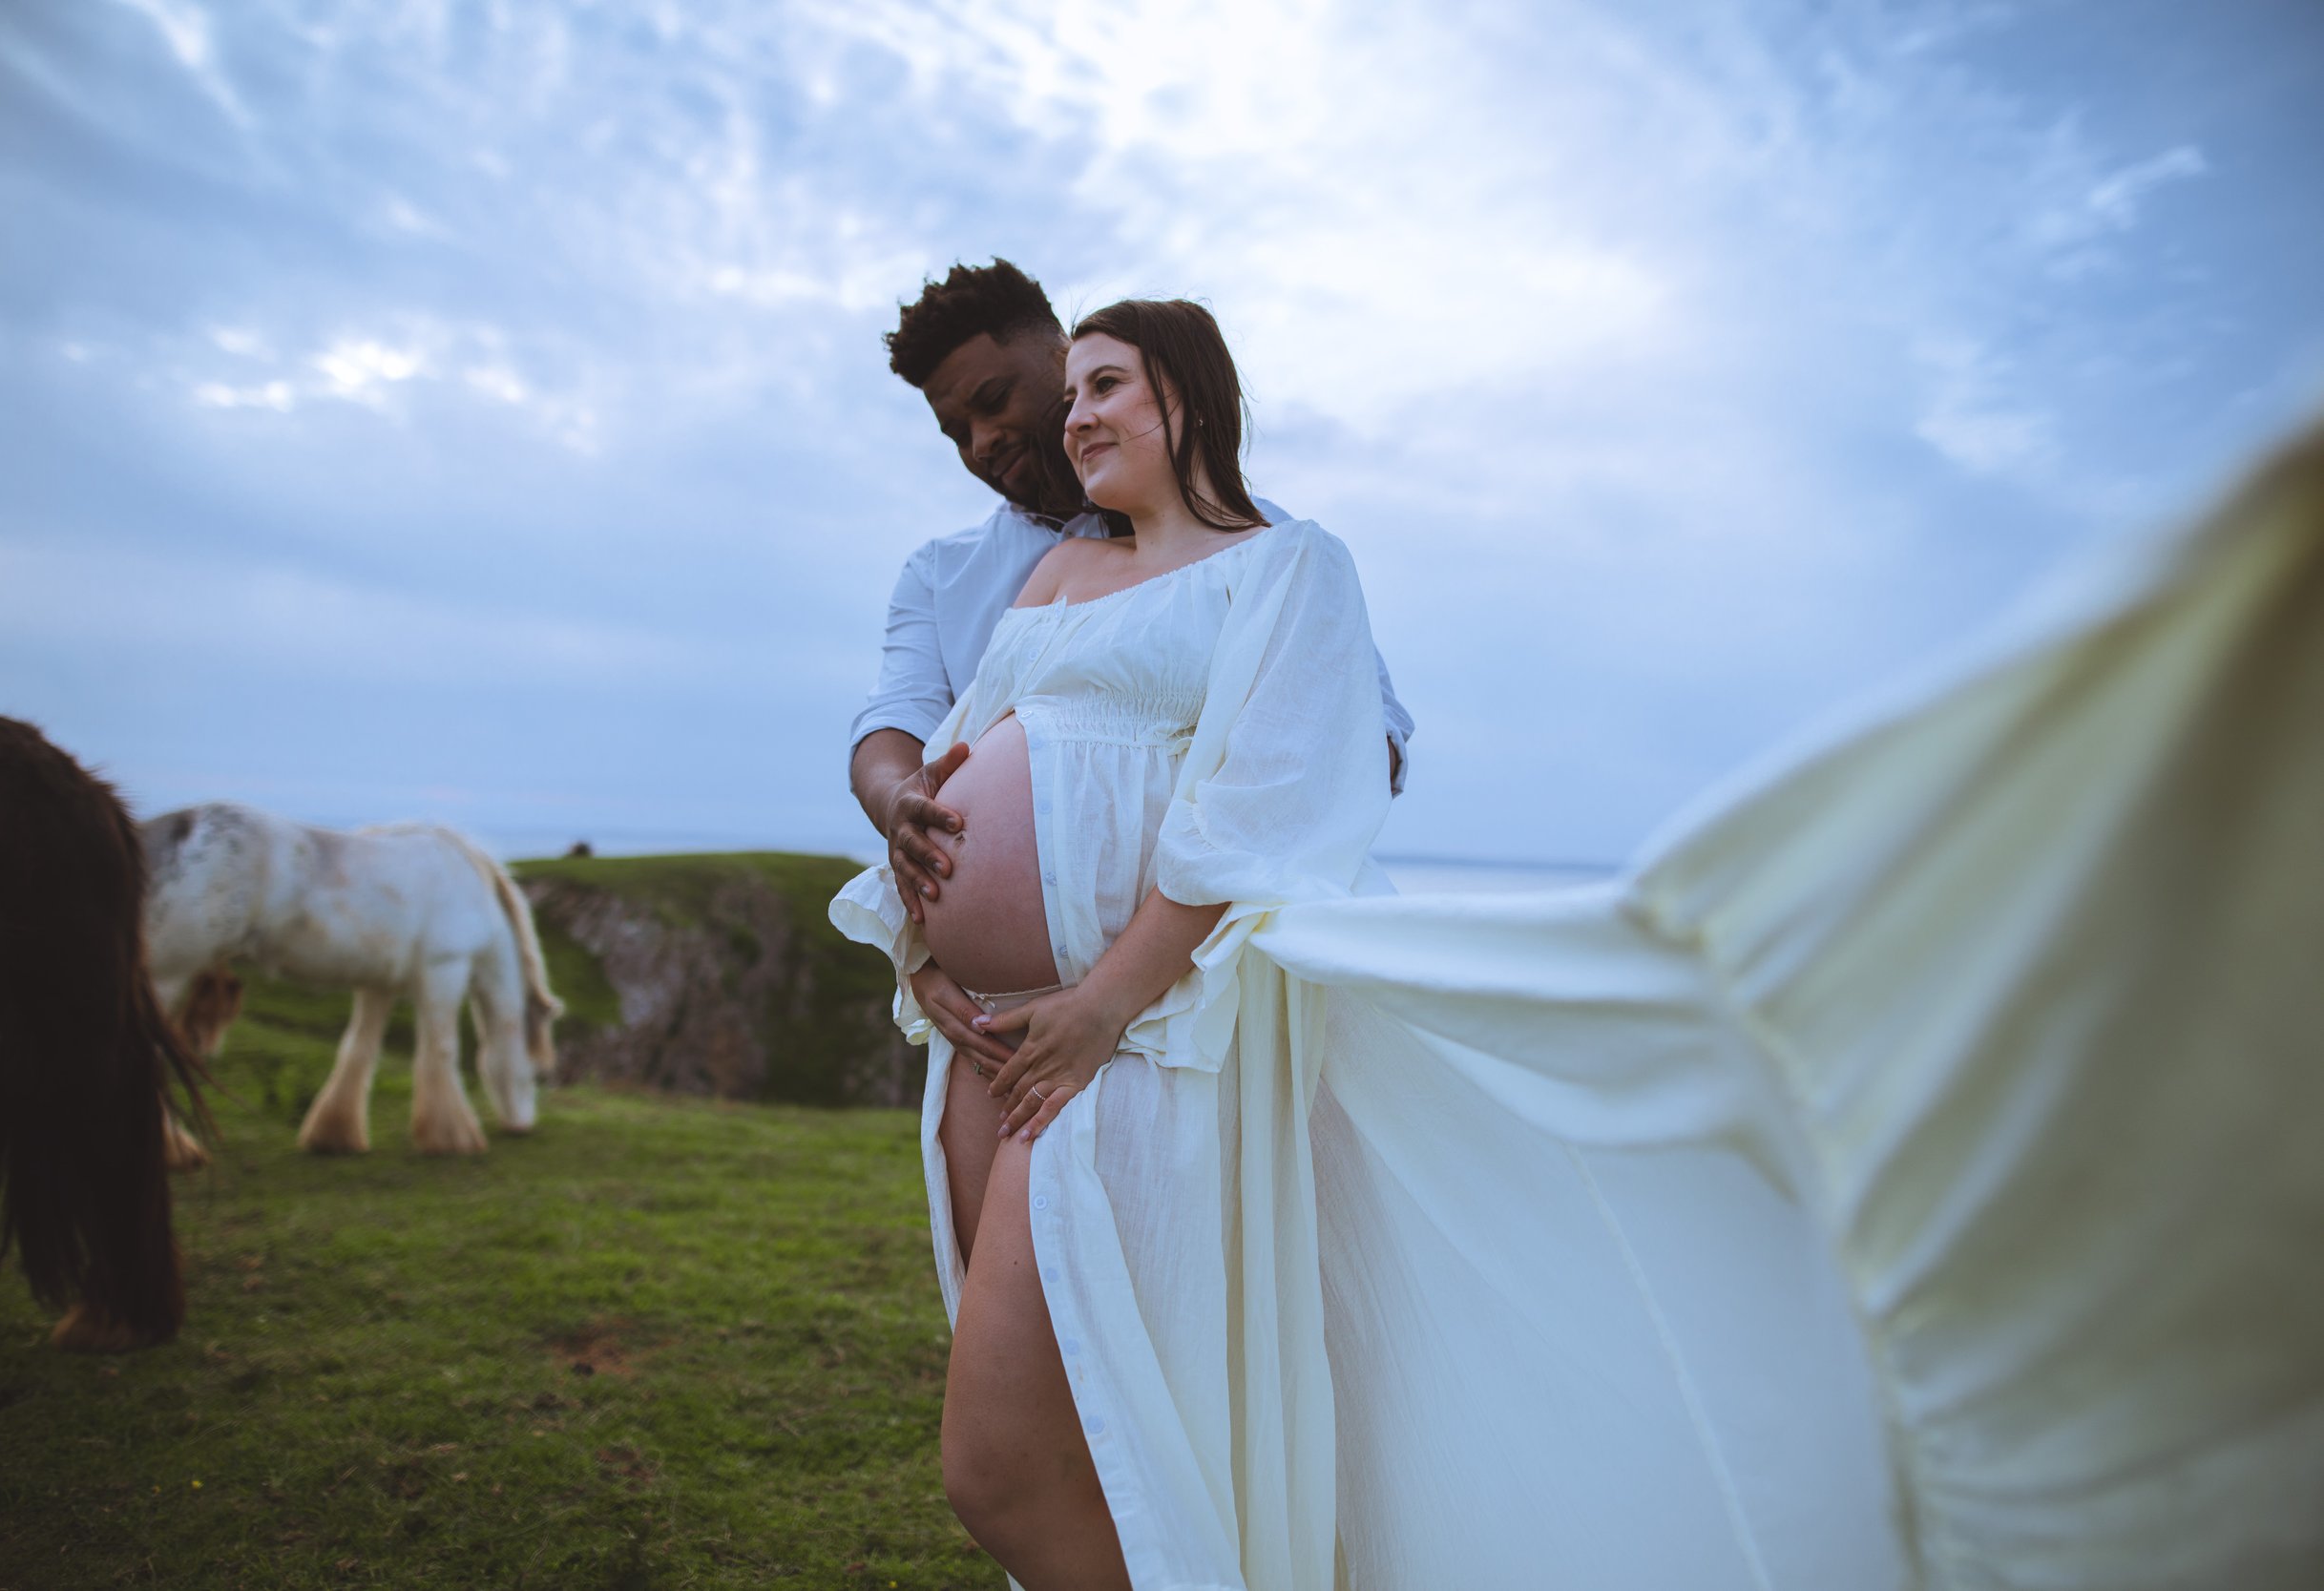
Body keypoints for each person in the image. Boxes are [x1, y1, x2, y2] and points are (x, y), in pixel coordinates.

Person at [835, 297, 2324, 1586]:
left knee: (1001, 1465)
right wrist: (936, 940)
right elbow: (956, 753)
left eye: (1105, 381)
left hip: (1128, 1041)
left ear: (1188, 391)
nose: (1069, 413)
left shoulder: (1289, 567)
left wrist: (1101, 996)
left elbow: (1269, 804)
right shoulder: (1046, 576)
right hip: (982, 1036)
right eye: (1067, 387)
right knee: (1080, 1435)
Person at [846, 261, 1413, 1095]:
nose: (981, 442)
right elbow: (894, 729)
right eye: (954, 429)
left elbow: (1366, 748)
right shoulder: (942, 574)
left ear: (1062, 360)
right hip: (988, 1016)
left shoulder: (1252, 549)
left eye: (995, 400)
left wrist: (1126, 829)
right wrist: (903, 825)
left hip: (1171, 1010)